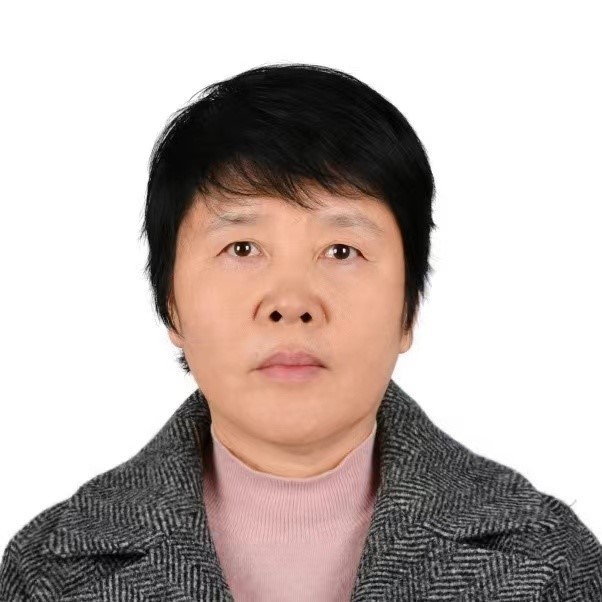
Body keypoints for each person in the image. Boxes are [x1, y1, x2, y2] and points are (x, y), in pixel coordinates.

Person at [1, 63, 600, 602]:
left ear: (409, 308)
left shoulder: (551, 566)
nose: (291, 303)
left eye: (342, 250)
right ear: (171, 304)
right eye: (242, 248)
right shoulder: (48, 575)